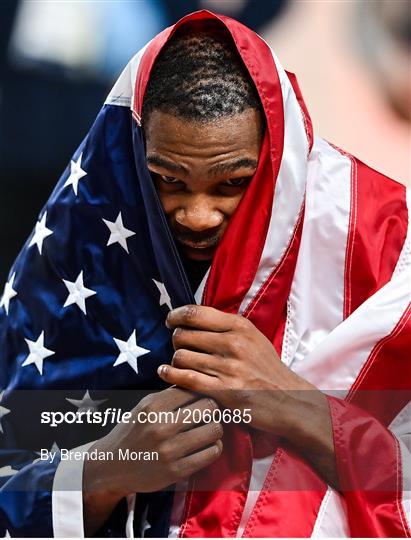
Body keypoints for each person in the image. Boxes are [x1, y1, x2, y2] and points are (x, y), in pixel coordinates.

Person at [0, 10, 410, 538]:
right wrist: (103, 471)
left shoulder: (385, 251)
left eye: (232, 183)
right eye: (168, 180)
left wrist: (291, 403)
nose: (198, 215)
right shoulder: (73, 256)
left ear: (276, 158)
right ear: (131, 156)